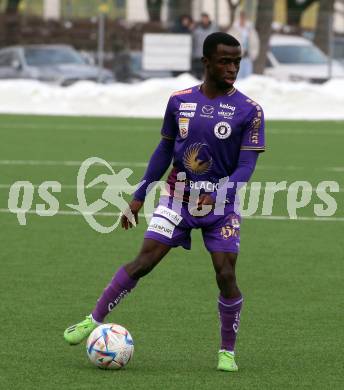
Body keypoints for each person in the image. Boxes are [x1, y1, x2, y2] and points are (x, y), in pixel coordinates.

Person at [64, 32, 265, 372]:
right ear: (206, 62)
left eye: (237, 62)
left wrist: (219, 194)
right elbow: (163, 151)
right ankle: (92, 318)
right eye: (224, 61)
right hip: (177, 198)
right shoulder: (179, 101)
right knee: (144, 262)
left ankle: (227, 351)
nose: (232, 68)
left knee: (225, 273)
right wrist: (139, 194)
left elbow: (246, 166)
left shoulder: (250, 110)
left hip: (220, 206)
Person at [228, 10, 260, 79]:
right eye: (241, 17)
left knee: (248, 78)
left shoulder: (250, 29)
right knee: (237, 78)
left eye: (244, 18)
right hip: (237, 58)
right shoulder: (233, 30)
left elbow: (255, 42)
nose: (242, 19)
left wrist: (254, 54)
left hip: (248, 57)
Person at [191, 13, 218, 79]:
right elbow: (193, 42)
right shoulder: (196, 30)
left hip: (210, 56)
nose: (205, 20)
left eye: (206, 18)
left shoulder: (214, 30)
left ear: (208, 19)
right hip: (198, 56)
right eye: (203, 19)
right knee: (198, 77)